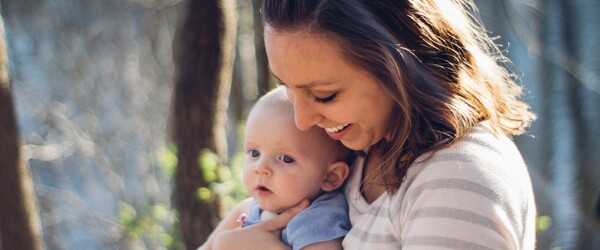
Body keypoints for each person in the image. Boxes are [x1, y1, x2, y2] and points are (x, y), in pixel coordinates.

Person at [210, 0, 537, 249]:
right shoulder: (360, 148)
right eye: (287, 88)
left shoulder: (459, 178)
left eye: (324, 95)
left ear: (400, 67)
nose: (302, 120)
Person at [199, 88, 353, 250]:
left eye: (286, 159)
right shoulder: (248, 208)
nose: (261, 168)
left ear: (330, 177)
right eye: (254, 153)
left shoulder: (318, 221)